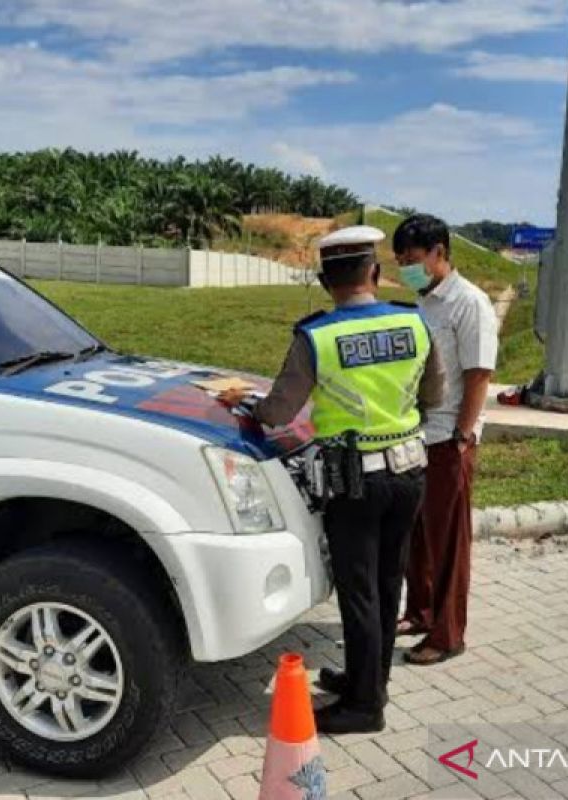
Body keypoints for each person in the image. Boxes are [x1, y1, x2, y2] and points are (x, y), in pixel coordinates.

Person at [219, 225, 442, 734]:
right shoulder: (414, 323)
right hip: (409, 471)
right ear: (377, 273)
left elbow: (278, 412)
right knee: (388, 584)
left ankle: (365, 708)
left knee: (359, 590)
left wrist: (243, 401)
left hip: (353, 480)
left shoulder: (317, 335)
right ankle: (371, 681)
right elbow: (435, 393)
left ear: (325, 281)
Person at [391, 213, 498, 666]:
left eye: (413, 259)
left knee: (449, 540)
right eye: (400, 260)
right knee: (418, 534)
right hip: (419, 434)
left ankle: (448, 633)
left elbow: (478, 374)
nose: (406, 267)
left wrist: (461, 435)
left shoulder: (468, 303)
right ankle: (420, 610)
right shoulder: (424, 301)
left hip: (448, 437)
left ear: (440, 253)